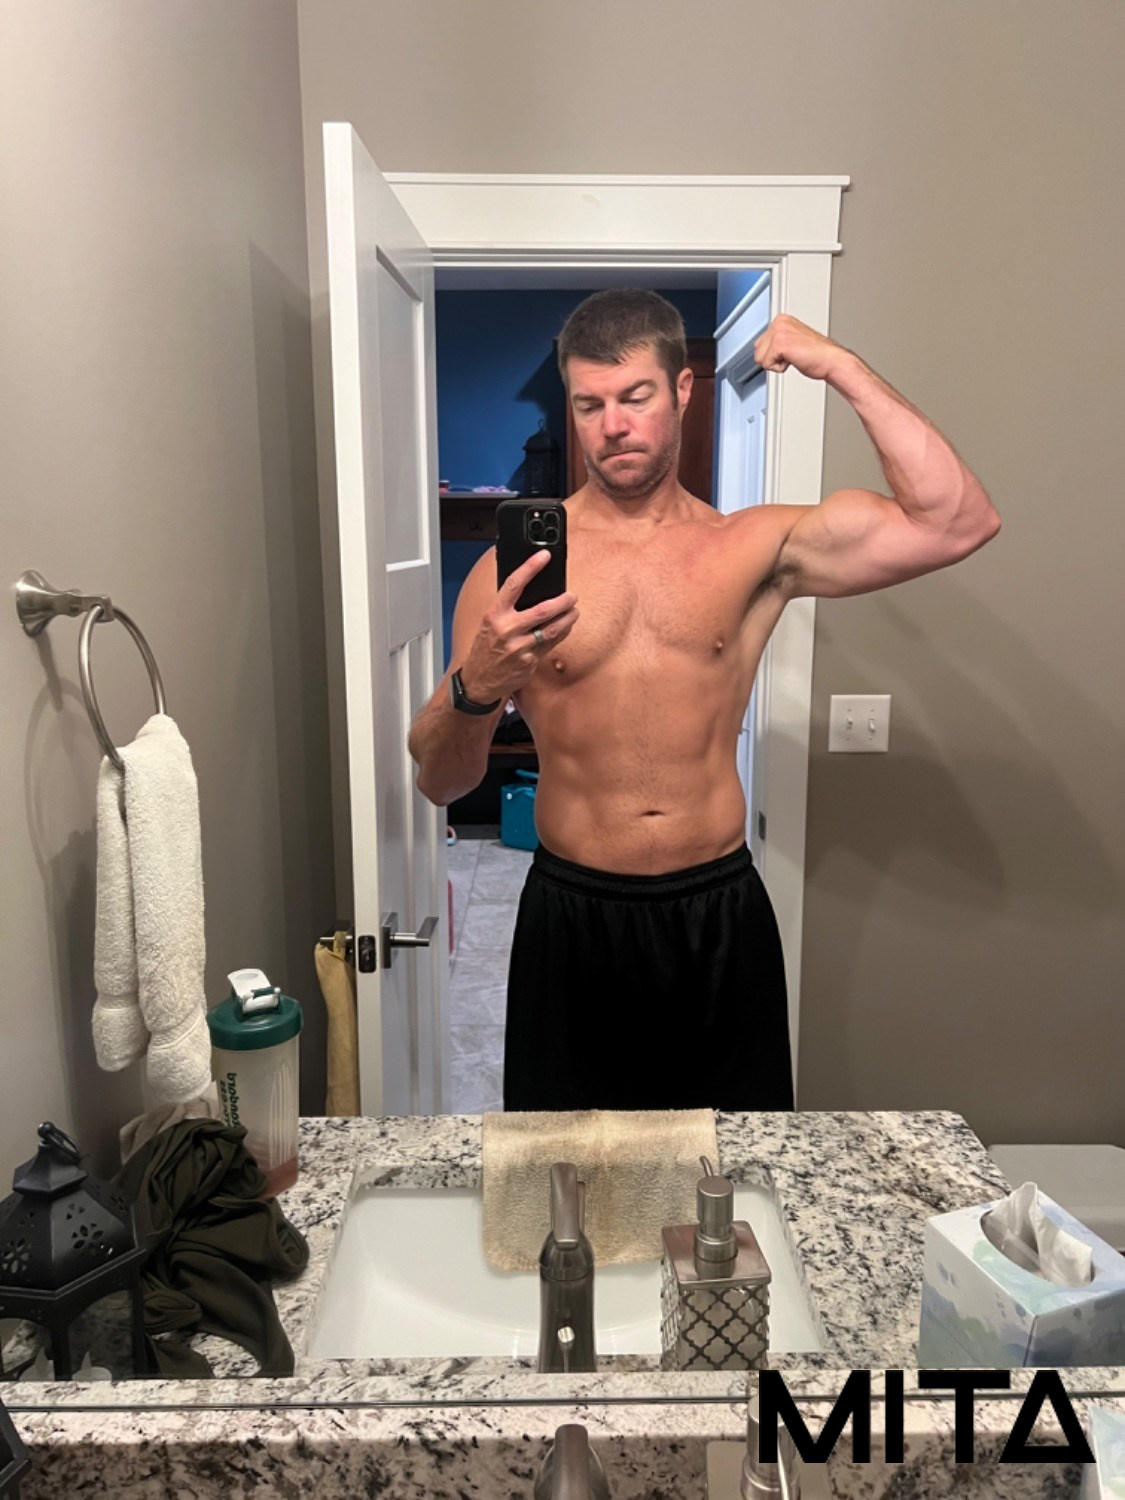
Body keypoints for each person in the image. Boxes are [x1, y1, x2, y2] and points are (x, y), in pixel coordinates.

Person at [407, 290, 1000, 1112]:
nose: (611, 425)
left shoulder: (751, 547)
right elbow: (439, 782)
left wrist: (836, 365)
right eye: (588, 404)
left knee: (735, 1183)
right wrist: (476, 686)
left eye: (634, 397)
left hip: (715, 912)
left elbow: (955, 520)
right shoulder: (512, 578)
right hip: (571, 915)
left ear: (682, 390)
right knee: (568, 1188)